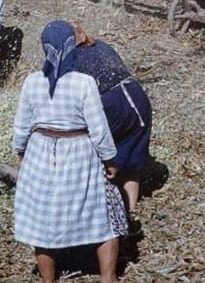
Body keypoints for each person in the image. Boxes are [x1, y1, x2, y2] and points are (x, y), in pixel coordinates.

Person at [12, 20, 123, 283]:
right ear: (71, 48)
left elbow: (21, 125)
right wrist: (109, 158)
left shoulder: (32, 82)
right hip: (78, 154)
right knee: (103, 214)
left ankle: (48, 280)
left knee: (43, 220)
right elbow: (99, 128)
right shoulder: (84, 83)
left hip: (40, 152)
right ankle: (108, 277)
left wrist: (20, 151)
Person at [70, 23, 152, 217]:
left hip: (112, 103)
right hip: (137, 96)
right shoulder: (102, 46)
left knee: (95, 153)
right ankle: (132, 209)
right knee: (131, 154)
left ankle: (97, 208)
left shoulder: (74, 58)